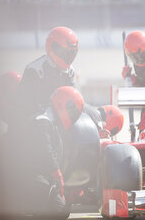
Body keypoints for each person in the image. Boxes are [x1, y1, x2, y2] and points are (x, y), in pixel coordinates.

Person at [14, 86, 84, 218]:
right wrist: (56, 173)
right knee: (48, 206)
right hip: (30, 177)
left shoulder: (50, 124)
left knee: (61, 210)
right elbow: (45, 149)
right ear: (61, 104)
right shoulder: (41, 122)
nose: (73, 116)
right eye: (72, 111)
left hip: (42, 178)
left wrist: (67, 190)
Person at [16, 26, 78, 119]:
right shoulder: (34, 70)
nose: (69, 56)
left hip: (59, 119)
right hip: (34, 122)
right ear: (53, 47)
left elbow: (72, 100)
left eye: (72, 53)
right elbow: (24, 105)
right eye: (65, 52)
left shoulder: (70, 71)